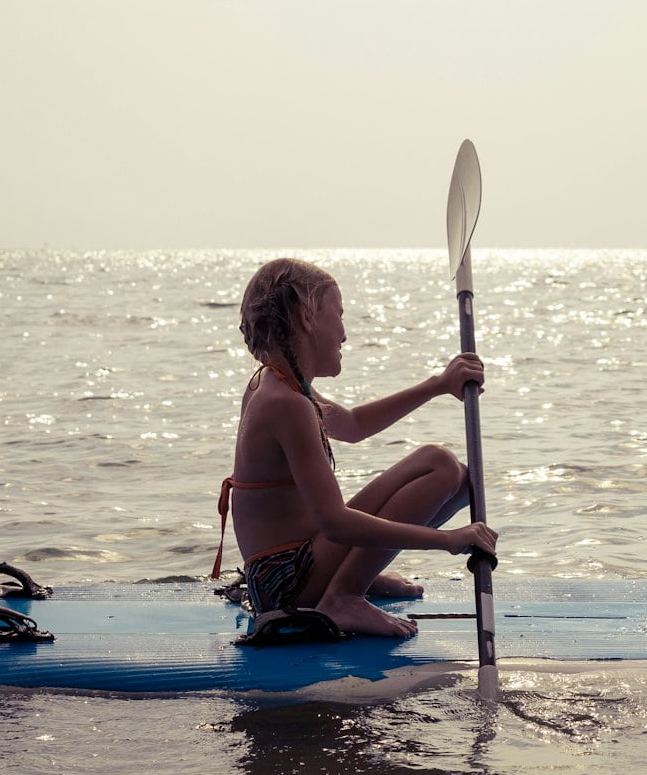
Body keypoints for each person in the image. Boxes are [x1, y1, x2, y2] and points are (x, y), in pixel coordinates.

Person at [211, 257, 497, 638]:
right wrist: (447, 541)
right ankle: (342, 596)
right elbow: (336, 522)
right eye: (339, 315)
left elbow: (355, 425)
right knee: (440, 465)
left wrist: (438, 385)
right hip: (285, 583)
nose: (344, 334)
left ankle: (350, 577)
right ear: (308, 318)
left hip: (297, 564)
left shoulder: (280, 385)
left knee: (457, 480)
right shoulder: (285, 403)